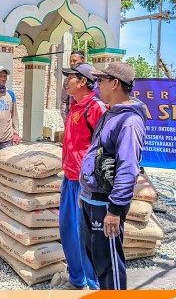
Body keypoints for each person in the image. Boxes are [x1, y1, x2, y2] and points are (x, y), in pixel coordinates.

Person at [78, 62, 147, 290]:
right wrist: (84, 190)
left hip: (105, 205)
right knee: (96, 261)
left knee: (109, 267)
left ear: (115, 83)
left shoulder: (129, 122)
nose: (97, 86)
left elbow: (128, 169)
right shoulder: (110, 114)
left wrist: (115, 210)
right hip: (91, 198)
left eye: (101, 81)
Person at [58, 63, 106, 290]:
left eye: (71, 77)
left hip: (85, 184)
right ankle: (76, 279)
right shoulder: (75, 106)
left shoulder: (95, 108)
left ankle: (93, 284)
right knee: (68, 230)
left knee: (86, 235)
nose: (67, 81)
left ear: (84, 82)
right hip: (69, 178)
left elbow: (106, 147)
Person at [61, 51, 86, 122]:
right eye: (70, 61)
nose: (72, 63)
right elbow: (64, 101)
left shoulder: (90, 78)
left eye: (74, 61)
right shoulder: (66, 81)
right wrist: (66, 119)